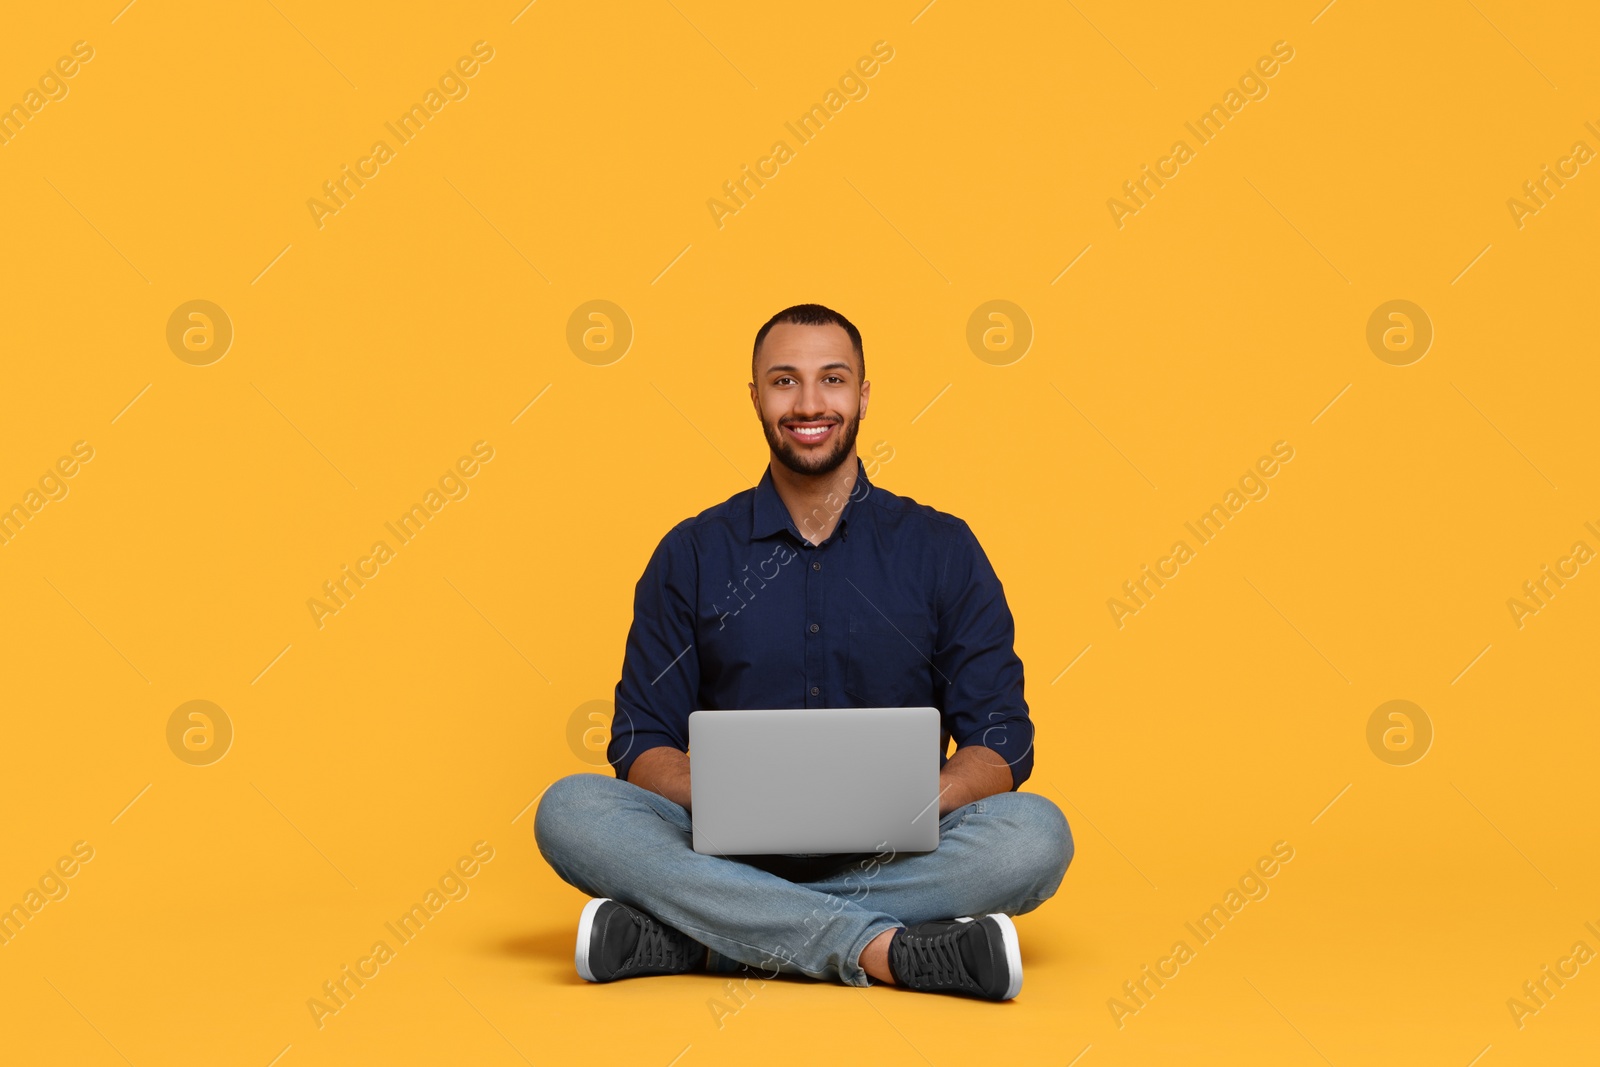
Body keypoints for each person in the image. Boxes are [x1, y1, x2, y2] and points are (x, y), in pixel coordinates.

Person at [534, 303, 1072, 1001]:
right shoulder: (692, 554)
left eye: (832, 379)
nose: (810, 403)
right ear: (755, 396)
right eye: (784, 381)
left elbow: (1001, 738)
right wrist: (734, 799)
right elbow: (640, 742)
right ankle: (884, 948)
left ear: (864, 395)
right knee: (571, 811)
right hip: (721, 844)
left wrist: (919, 799)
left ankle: (706, 935)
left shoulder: (941, 549)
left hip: (892, 850)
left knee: (1036, 836)